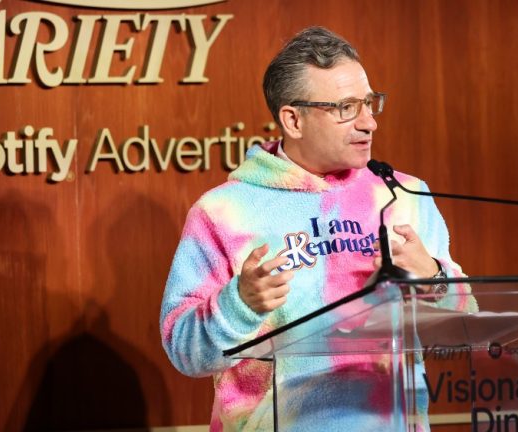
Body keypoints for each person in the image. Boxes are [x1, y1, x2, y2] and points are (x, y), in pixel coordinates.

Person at [160, 26, 477, 431]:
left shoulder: (404, 196)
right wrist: (239, 304)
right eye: (346, 107)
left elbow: (462, 329)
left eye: (368, 103)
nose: (369, 123)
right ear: (293, 119)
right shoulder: (223, 212)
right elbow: (184, 352)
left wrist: (433, 278)